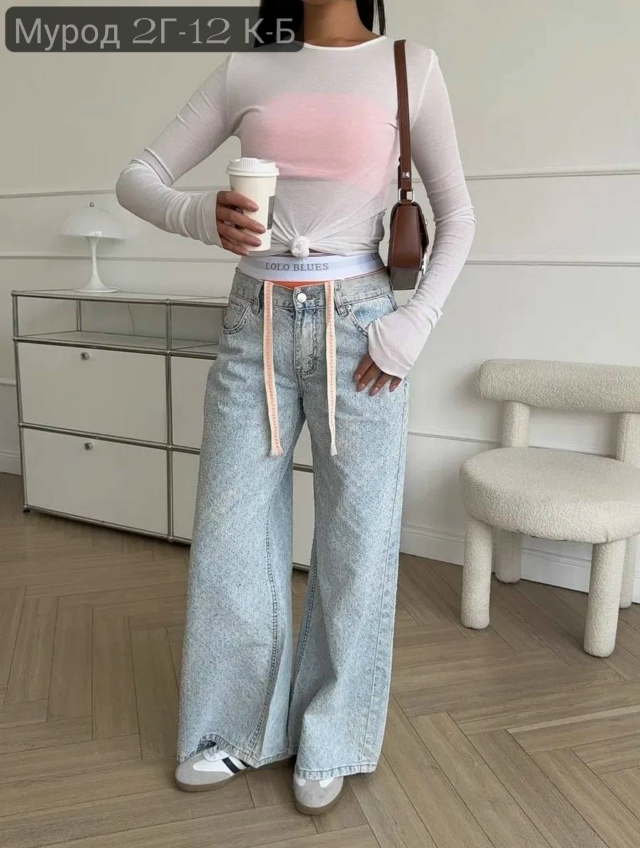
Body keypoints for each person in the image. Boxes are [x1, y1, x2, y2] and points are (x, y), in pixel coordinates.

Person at [115, 0, 476, 816]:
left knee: (357, 541)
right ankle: (230, 728)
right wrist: (199, 216)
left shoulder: (409, 65)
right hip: (255, 323)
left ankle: (332, 735)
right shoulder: (247, 67)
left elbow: (458, 215)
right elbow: (136, 178)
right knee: (232, 533)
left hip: (363, 329)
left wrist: (414, 324)